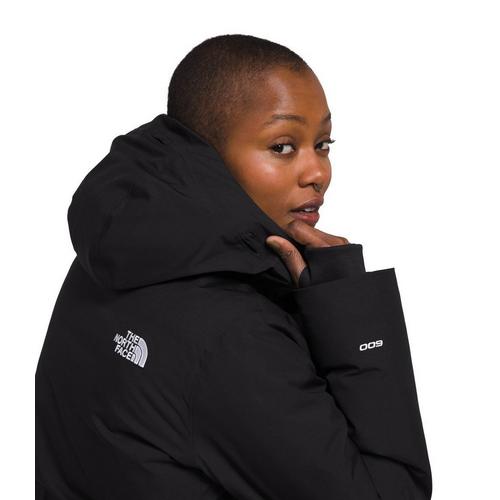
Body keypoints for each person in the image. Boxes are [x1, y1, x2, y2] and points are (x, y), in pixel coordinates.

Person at [35, 34, 433, 499]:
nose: (318, 173)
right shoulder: (235, 331)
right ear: (208, 152)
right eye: (282, 146)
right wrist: (348, 303)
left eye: (323, 143)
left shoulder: (115, 254)